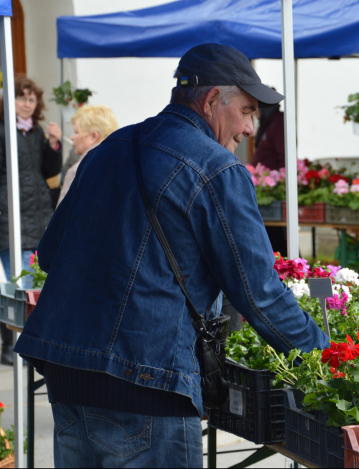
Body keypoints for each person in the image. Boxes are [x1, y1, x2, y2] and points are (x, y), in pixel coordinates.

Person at [14, 43, 329, 468]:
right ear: (214, 100)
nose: (251, 128)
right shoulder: (218, 168)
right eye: (249, 111)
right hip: (148, 381)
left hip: (68, 372)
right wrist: (324, 362)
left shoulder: (108, 148)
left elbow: (50, 254)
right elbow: (261, 294)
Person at [0, 75, 62, 366]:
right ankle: (11, 346)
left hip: (36, 215)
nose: (26, 104)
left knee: (35, 283)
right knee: (17, 286)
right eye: (21, 98)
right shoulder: (3, 130)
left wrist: (53, 144)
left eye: (31, 99)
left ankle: (31, 343)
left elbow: (49, 171)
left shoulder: (35, 132)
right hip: (10, 216)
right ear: (9, 101)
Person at [58, 104, 118, 205]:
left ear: (93, 137)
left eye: (76, 132)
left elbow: (61, 219)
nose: (72, 137)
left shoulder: (77, 171)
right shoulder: (125, 167)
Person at [251, 99, 288, 255]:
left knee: (277, 237)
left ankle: (288, 266)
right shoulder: (267, 122)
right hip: (267, 186)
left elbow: (284, 156)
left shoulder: (278, 123)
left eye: (256, 109)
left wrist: (281, 180)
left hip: (274, 189)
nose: (255, 113)